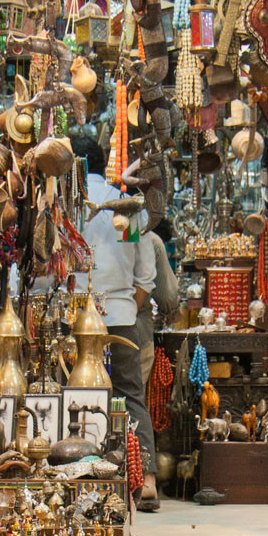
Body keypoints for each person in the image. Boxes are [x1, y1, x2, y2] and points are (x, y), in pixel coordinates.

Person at [70, 136, 161, 511]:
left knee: (73, 396)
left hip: (74, 317)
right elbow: (146, 276)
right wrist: (122, 306)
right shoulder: (128, 208)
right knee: (130, 396)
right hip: (122, 317)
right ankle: (149, 480)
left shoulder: (68, 204)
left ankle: (74, 473)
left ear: (73, 164)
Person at [137, 219, 179, 388]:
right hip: (137, 333)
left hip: (91, 329)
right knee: (131, 400)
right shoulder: (150, 240)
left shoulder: (93, 232)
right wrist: (171, 313)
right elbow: (168, 294)